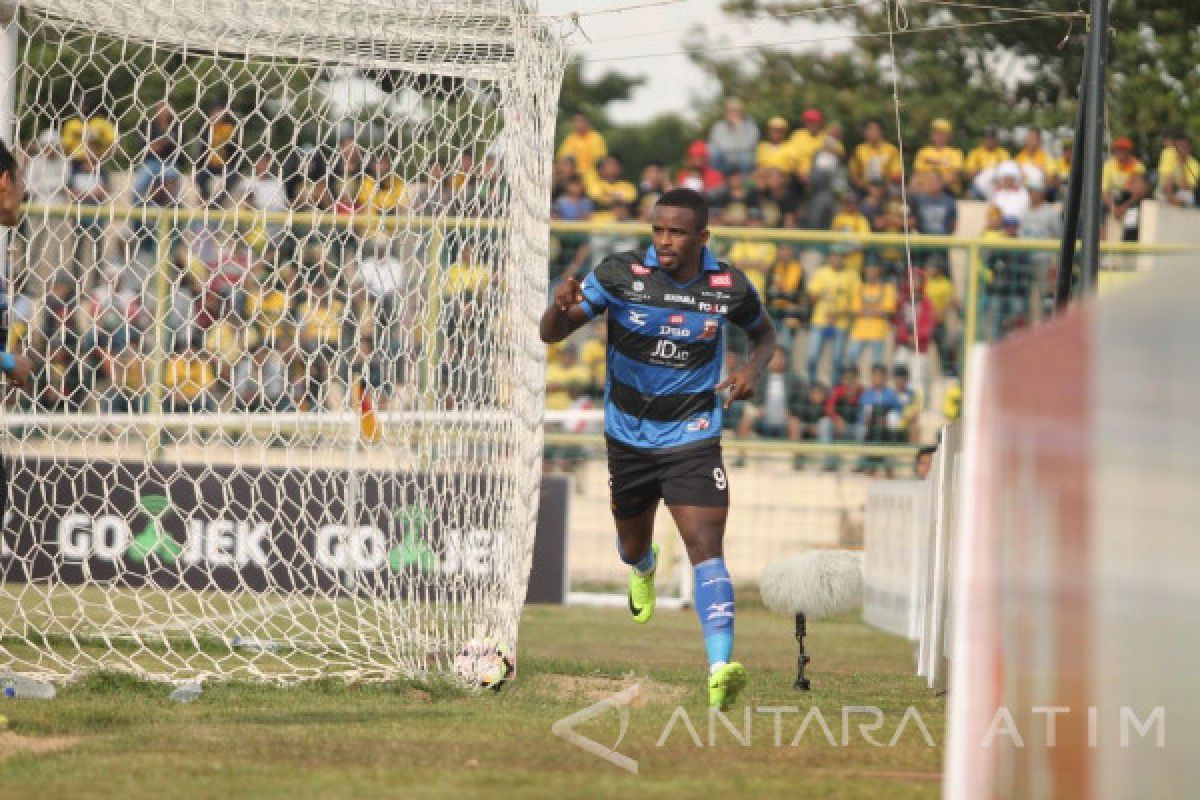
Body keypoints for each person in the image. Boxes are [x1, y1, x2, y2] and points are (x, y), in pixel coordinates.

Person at [539, 188, 775, 712]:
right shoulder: (620, 275)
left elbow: (765, 335)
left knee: (705, 547)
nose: (664, 241)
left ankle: (720, 667)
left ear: (702, 237)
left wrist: (749, 371)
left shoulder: (728, 286)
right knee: (629, 543)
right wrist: (559, 310)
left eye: (676, 232)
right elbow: (552, 335)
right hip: (628, 436)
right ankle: (642, 566)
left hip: (693, 434)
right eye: (658, 230)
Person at [707, 97, 759, 176]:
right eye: (729, 111)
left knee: (745, 157)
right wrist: (730, 150)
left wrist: (738, 128)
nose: (731, 113)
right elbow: (714, 145)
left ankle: (743, 183)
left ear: (741, 113)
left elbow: (747, 146)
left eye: (735, 111)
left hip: (742, 159)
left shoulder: (750, 127)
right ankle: (717, 180)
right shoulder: (718, 126)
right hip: (724, 159)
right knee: (712, 150)